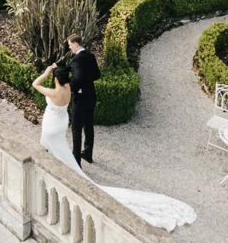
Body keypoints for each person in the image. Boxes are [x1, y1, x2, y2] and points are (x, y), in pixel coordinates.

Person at [32, 64, 196, 232]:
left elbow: (35, 84)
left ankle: (54, 170)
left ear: (56, 79)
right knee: (61, 150)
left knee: (56, 150)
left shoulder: (55, 92)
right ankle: (59, 165)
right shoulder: (67, 88)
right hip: (60, 124)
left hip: (52, 126)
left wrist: (45, 73)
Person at [66, 33, 100, 166]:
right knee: (88, 125)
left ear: (75, 44)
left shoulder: (77, 60)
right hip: (91, 95)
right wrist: (86, 82)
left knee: (76, 128)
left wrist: (71, 88)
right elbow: (97, 75)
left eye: (70, 45)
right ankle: (87, 153)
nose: (70, 48)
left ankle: (76, 160)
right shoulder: (90, 56)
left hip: (80, 99)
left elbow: (77, 79)